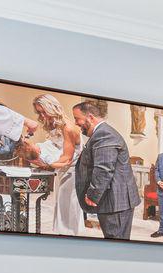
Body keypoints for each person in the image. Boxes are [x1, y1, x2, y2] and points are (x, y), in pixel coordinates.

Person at [71, 99, 137, 240]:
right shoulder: (101, 133)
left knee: (116, 241)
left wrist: (93, 194)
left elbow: (104, 169)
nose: (76, 123)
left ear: (90, 117)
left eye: (77, 119)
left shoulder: (104, 134)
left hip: (115, 201)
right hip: (113, 200)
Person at [32, 94, 84, 236]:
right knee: (61, 206)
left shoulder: (68, 127)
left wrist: (46, 165)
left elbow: (67, 158)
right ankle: (62, 235)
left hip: (72, 173)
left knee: (69, 208)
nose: (42, 116)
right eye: (39, 112)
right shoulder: (55, 125)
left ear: (52, 108)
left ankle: (71, 237)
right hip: (62, 170)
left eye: (43, 111)